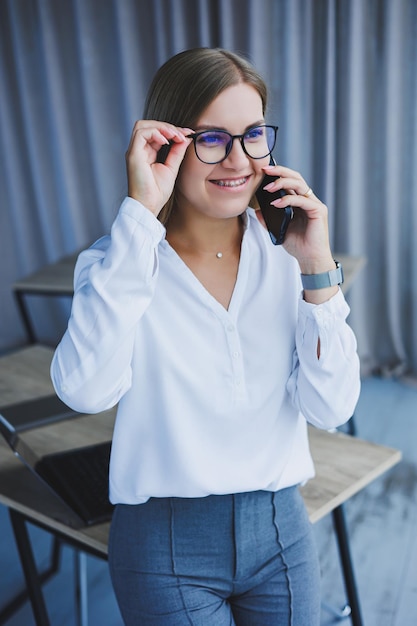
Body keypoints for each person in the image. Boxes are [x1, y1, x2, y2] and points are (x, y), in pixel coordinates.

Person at [51, 47, 360, 625]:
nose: (238, 159)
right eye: (212, 138)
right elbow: (85, 392)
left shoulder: (287, 259)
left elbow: (332, 407)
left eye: (253, 135)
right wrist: (142, 213)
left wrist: (317, 271)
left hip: (280, 530)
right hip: (164, 545)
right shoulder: (117, 263)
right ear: (168, 143)